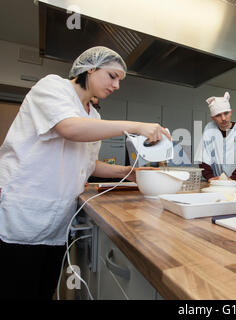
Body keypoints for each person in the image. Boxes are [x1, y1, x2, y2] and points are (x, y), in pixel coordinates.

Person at [0, 46, 170, 299]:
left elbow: (88, 164)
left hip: (57, 220)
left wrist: (128, 172)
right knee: (17, 289)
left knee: (43, 290)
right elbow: (69, 128)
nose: (116, 86)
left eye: (120, 80)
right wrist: (136, 126)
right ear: (90, 68)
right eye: (112, 76)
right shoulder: (53, 87)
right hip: (25, 212)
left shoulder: (92, 114)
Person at [197, 92, 236, 181]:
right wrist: (210, 178)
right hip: (217, 183)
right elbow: (203, 156)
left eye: (226, 113)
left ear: (231, 112)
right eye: (218, 115)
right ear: (213, 118)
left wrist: (233, 178)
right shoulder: (210, 129)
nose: (223, 118)